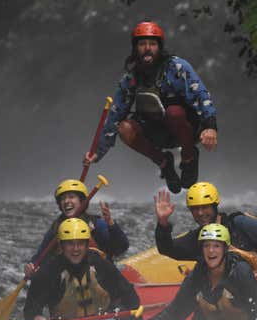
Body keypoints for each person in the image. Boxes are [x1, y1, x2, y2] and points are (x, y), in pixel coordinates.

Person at [83, 20, 218, 194]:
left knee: (174, 112)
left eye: (152, 44)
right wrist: (98, 152)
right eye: (142, 44)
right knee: (124, 128)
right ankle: (163, 162)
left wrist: (210, 126)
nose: (147, 48)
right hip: (155, 132)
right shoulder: (130, 78)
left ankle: (189, 157)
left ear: (160, 47)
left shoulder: (177, 67)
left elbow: (201, 95)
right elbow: (115, 115)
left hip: (185, 128)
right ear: (135, 48)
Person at [148, 224, 257, 320]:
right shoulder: (196, 275)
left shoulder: (241, 271)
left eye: (216, 246)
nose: (211, 251)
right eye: (206, 246)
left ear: (225, 249)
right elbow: (175, 312)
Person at [154, 182, 257, 295]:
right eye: (195, 209)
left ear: (214, 206)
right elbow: (167, 249)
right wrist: (163, 222)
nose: (200, 213)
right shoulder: (199, 237)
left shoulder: (239, 223)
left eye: (205, 207)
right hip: (229, 302)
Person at [23, 218, 140, 320]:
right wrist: (37, 318)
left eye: (80, 243)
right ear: (61, 245)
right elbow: (30, 310)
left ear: (87, 244)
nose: (76, 249)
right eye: (70, 244)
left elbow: (131, 298)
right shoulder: (49, 272)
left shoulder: (100, 264)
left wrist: (119, 318)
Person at [24, 179, 128, 278]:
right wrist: (32, 267)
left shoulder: (97, 224)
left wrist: (110, 223)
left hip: (99, 280)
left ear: (82, 201)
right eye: (63, 198)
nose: (66, 201)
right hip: (68, 284)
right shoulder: (56, 228)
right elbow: (41, 256)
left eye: (71, 197)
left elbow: (121, 248)